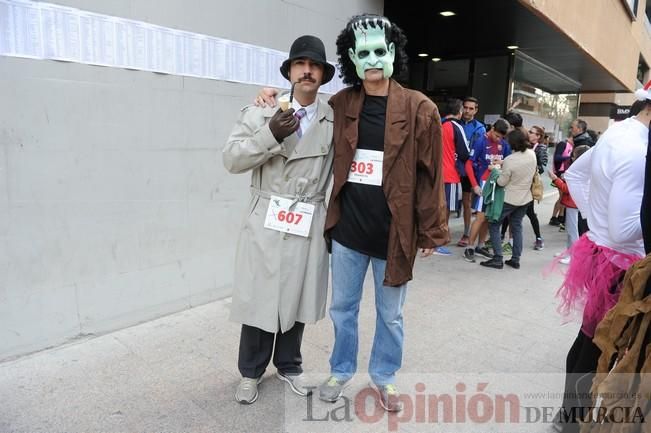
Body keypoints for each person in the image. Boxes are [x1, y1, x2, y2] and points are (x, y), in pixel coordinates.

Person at [319, 14, 446, 411]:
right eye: (363, 53)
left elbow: (432, 175)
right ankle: (340, 369)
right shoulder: (340, 104)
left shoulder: (420, 108)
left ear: (392, 53)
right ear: (351, 59)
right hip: (349, 232)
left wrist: (431, 230)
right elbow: (305, 116)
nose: (372, 59)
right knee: (343, 309)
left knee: (390, 316)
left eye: (379, 51)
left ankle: (385, 376)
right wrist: (270, 99)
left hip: (395, 233)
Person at [222, 35, 336, 405]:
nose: (307, 70)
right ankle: (250, 371)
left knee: (297, 292)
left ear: (323, 74)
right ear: (289, 71)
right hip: (266, 216)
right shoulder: (261, 112)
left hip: (307, 214)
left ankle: (289, 365)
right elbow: (232, 160)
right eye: (300, 64)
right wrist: (269, 133)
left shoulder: (333, 119)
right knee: (260, 295)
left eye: (314, 65)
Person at [554, 87, 648, 432]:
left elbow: (576, 175)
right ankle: (572, 421)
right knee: (598, 348)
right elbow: (625, 231)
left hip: (604, 253)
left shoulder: (620, 132)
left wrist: (598, 222)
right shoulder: (638, 150)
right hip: (622, 265)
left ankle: (568, 419)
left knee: (588, 342)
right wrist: (604, 224)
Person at [479, 127, 537, 270]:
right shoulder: (532, 154)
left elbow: (501, 182)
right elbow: (520, 165)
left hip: (509, 199)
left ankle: (498, 258)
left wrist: (495, 170)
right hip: (525, 198)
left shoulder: (511, 160)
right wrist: (503, 162)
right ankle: (515, 259)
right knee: (517, 226)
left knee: (494, 224)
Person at [462, 119, 511, 263]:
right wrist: (475, 185)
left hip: (498, 184)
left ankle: (480, 245)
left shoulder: (504, 144)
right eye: (496, 136)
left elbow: (508, 162)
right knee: (480, 217)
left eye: (501, 137)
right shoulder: (480, 141)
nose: (498, 139)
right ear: (492, 128)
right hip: (484, 184)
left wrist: (501, 164)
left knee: (489, 217)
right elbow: (469, 164)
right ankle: (469, 247)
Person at [437, 98, 480, 256]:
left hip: (436, 174)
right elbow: (465, 153)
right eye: (464, 109)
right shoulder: (457, 127)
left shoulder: (438, 124)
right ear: (459, 111)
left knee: (438, 207)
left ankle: (434, 240)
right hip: (450, 174)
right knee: (446, 209)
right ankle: (439, 241)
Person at [548, 144, 590, 264]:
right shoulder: (586, 170)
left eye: (574, 156)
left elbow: (568, 189)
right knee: (571, 231)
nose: (572, 158)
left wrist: (555, 179)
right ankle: (568, 252)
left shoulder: (579, 171)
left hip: (573, 204)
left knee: (573, 232)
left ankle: (573, 256)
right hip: (576, 203)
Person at [457, 96, 486, 247]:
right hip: (453, 169)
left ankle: (467, 233)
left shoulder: (480, 128)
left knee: (467, 202)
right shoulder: (453, 123)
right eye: (465, 108)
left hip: (470, 171)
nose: (467, 111)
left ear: (476, 110)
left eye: (471, 108)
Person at [528, 125, 547, 250]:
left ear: (538, 136)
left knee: (530, 212)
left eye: (531, 132)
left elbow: (542, 167)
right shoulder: (525, 145)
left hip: (529, 185)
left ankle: (539, 238)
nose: (529, 133)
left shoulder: (540, 148)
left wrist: (530, 167)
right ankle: (501, 236)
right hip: (521, 183)